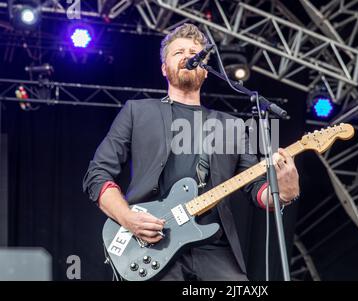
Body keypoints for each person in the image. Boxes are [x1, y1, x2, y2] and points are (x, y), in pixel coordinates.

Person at [82, 23, 300, 281]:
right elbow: (97, 174)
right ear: (164, 68)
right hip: (151, 239)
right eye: (178, 52)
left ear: (206, 71)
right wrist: (127, 217)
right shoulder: (137, 112)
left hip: (213, 246)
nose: (187, 56)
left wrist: (285, 192)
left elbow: (256, 189)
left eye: (194, 52)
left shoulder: (232, 126)